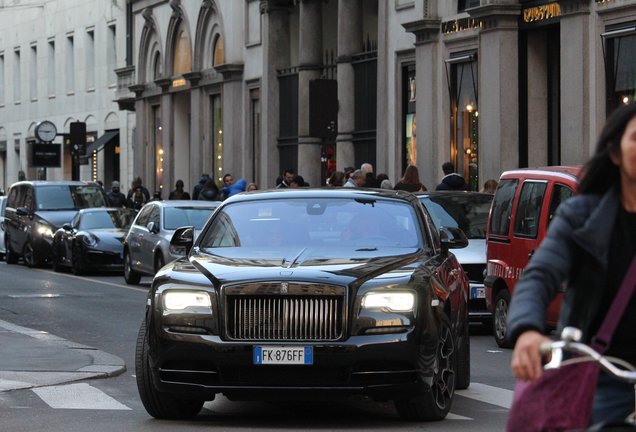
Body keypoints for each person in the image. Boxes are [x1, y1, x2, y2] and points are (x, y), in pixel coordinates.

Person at [508, 102, 636, 426]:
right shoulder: (581, 217)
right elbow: (540, 275)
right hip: (603, 375)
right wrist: (527, 331)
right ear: (616, 153)